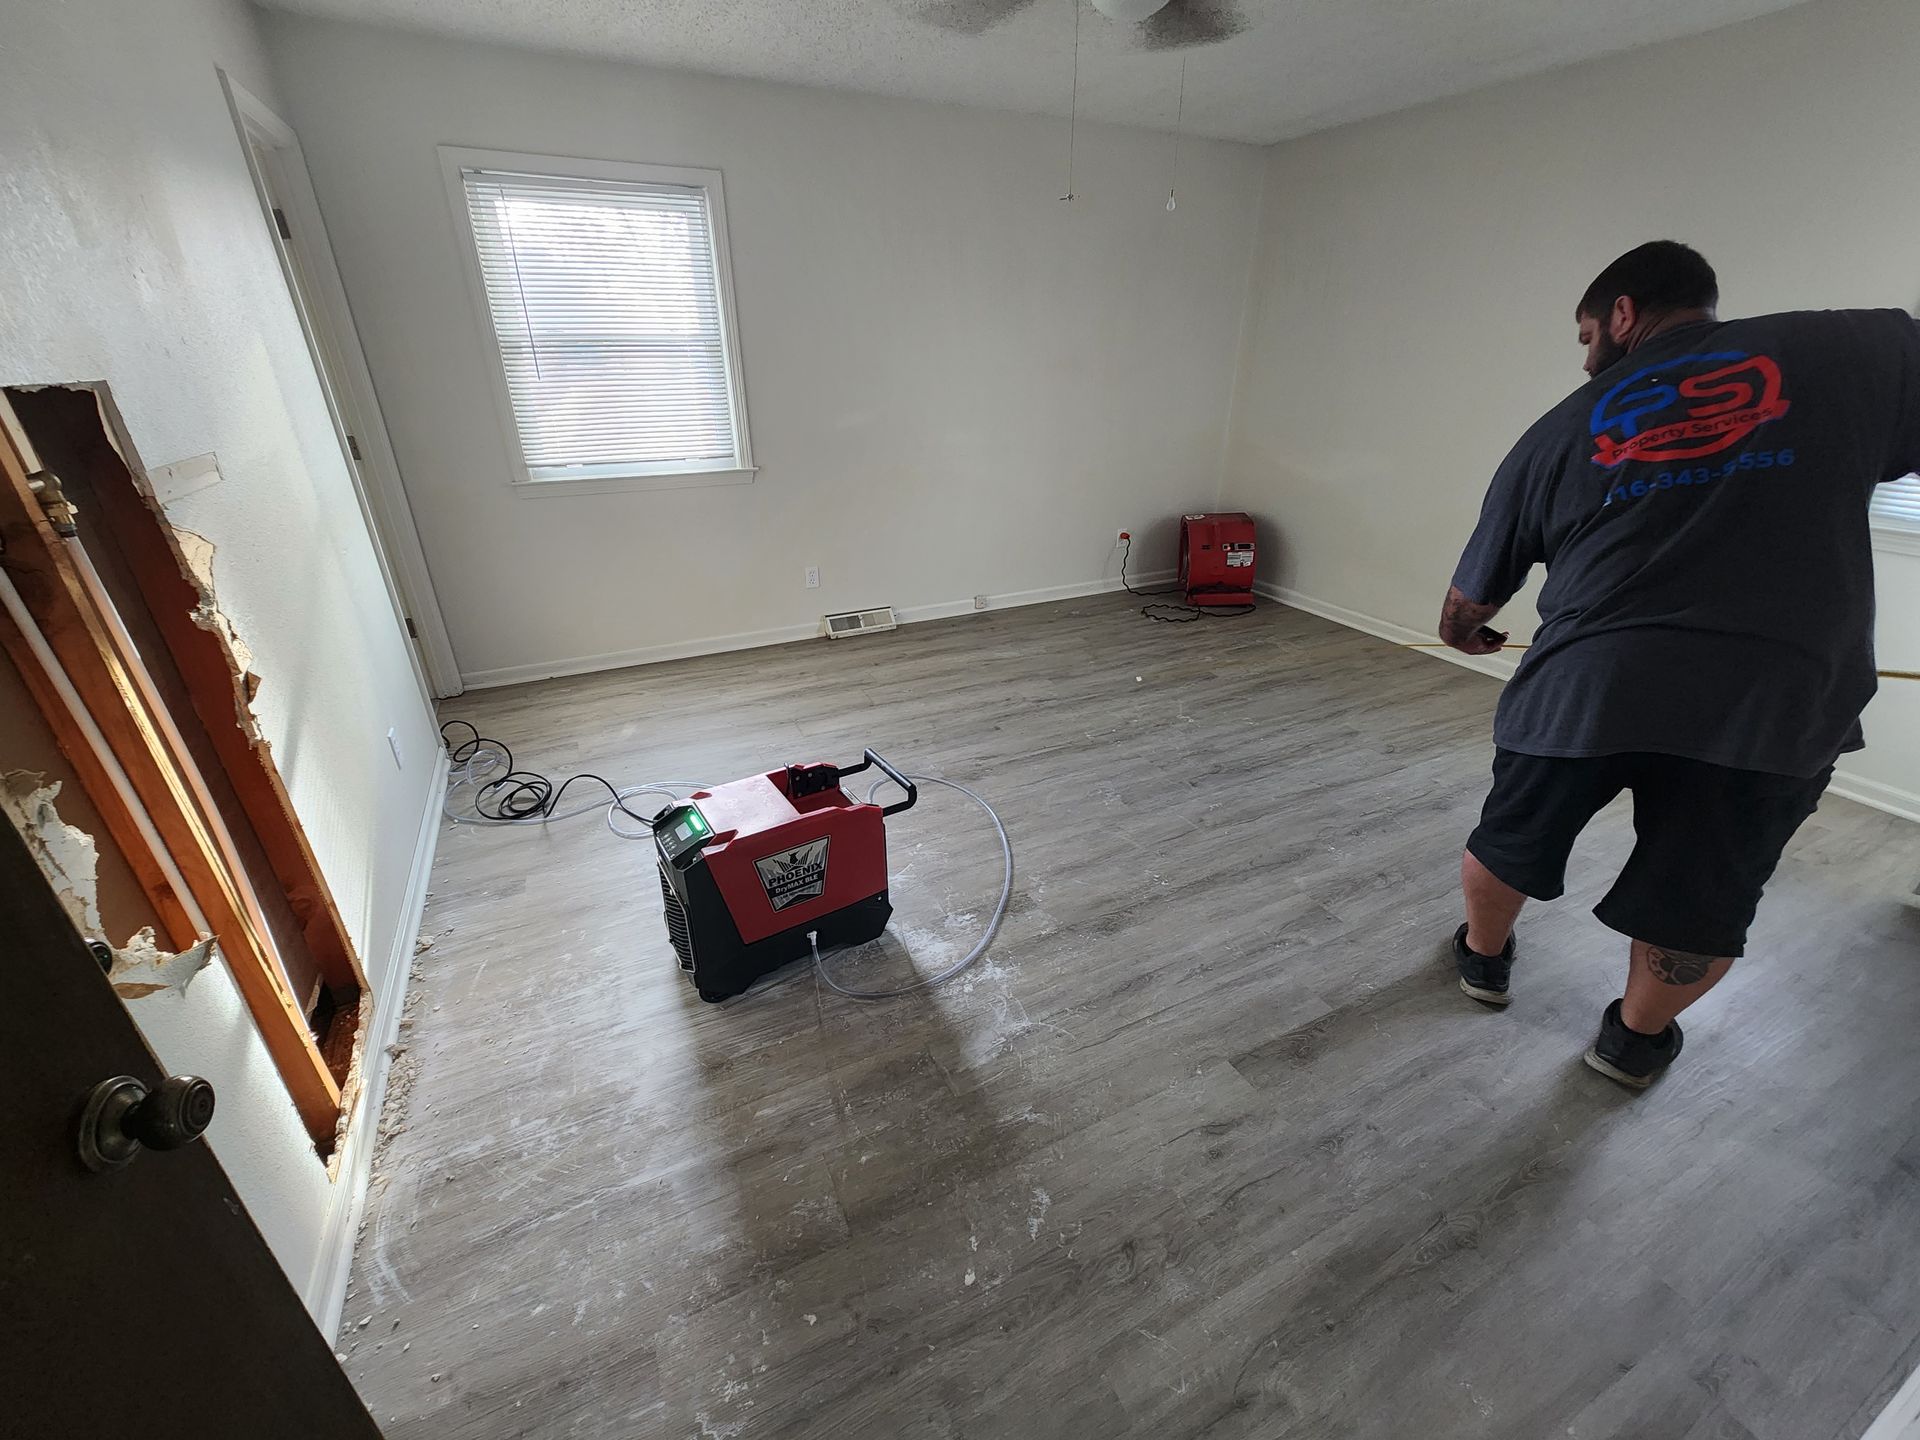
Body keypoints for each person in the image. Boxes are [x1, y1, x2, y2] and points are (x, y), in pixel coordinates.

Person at [1439, 240, 1920, 1087]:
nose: (1587, 356)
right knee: (1701, 893)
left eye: (1586, 332)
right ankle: (1633, 1041)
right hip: (1773, 702)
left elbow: (1468, 603)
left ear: (1623, 314)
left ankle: (1483, 960)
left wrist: (1467, 633)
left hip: (1586, 686)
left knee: (1512, 833)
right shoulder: (1857, 350)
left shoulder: (1560, 427)